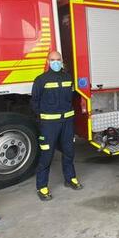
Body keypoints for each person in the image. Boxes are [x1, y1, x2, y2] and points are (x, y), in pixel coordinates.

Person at [31, 50, 82, 201]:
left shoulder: (68, 78)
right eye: (52, 60)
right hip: (49, 124)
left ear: (62, 61)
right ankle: (42, 186)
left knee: (69, 152)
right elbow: (34, 102)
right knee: (47, 155)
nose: (56, 62)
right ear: (47, 62)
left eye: (58, 59)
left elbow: (72, 97)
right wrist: (42, 119)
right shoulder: (40, 80)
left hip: (67, 122)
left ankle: (70, 178)